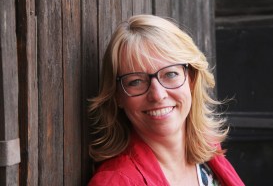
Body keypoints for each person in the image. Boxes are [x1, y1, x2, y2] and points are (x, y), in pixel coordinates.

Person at [88, 14, 244, 186]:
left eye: (170, 74)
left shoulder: (209, 153)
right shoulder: (115, 182)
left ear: (191, 79)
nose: (158, 95)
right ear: (117, 96)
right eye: (136, 81)